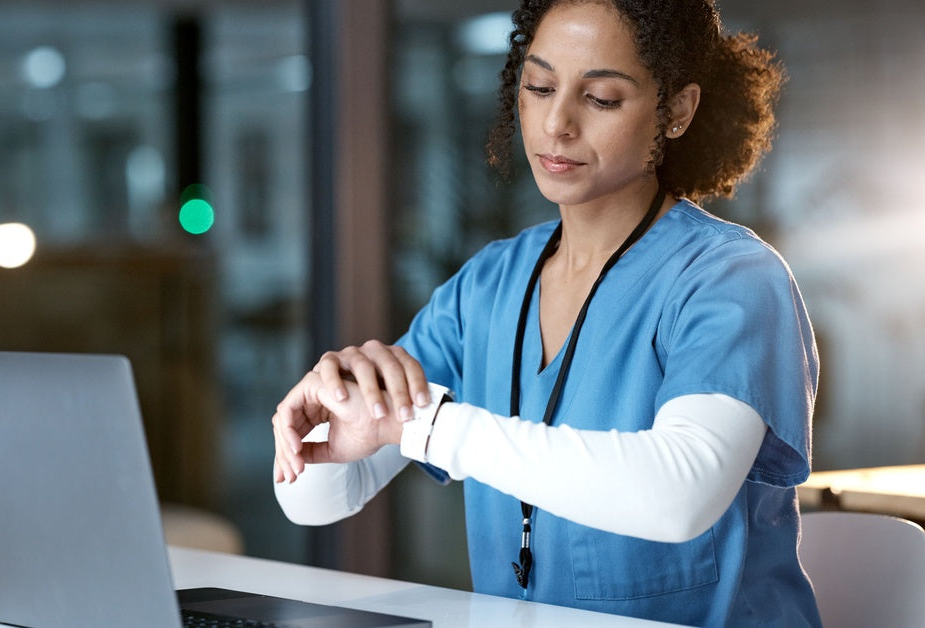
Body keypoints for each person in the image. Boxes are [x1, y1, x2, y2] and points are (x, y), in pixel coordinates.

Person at [271, 0, 820, 626]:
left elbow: (679, 496)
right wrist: (327, 423)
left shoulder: (730, 278)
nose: (555, 123)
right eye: (539, 87)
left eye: (602, 98)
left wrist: (427, 428)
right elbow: (321, 501)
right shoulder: (488, 284)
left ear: (677, 111)